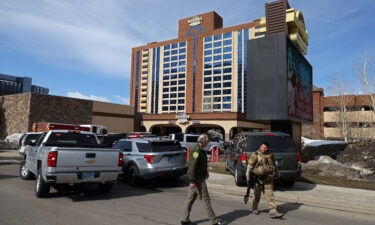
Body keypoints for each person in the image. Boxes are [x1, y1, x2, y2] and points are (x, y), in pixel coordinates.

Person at [180, 134, 224, 225]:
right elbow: (192, 167)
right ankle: (214, 221)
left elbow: (201, 165)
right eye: (207, 141)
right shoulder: (196, 151)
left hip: (198, 178)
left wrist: (206, 172)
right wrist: (192, 181)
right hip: (198, 180)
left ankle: (184, 220)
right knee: (206, 200)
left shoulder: (200, 150)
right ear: (203, 141)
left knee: (190, 200)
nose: (208, 143)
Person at [246, 141, 284, 219]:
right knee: (257, 195)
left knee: (270, 195)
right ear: (260, 146)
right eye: (263, 147)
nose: (264, 149)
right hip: (258, 179)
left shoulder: (270, 155)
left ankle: (273, 211)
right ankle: (255, 208)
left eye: (266, 147)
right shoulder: (255, 155)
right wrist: (248, 176)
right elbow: (249, 166)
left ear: (268, 148)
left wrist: (277, 172)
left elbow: (274, 164)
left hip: (268, 178)